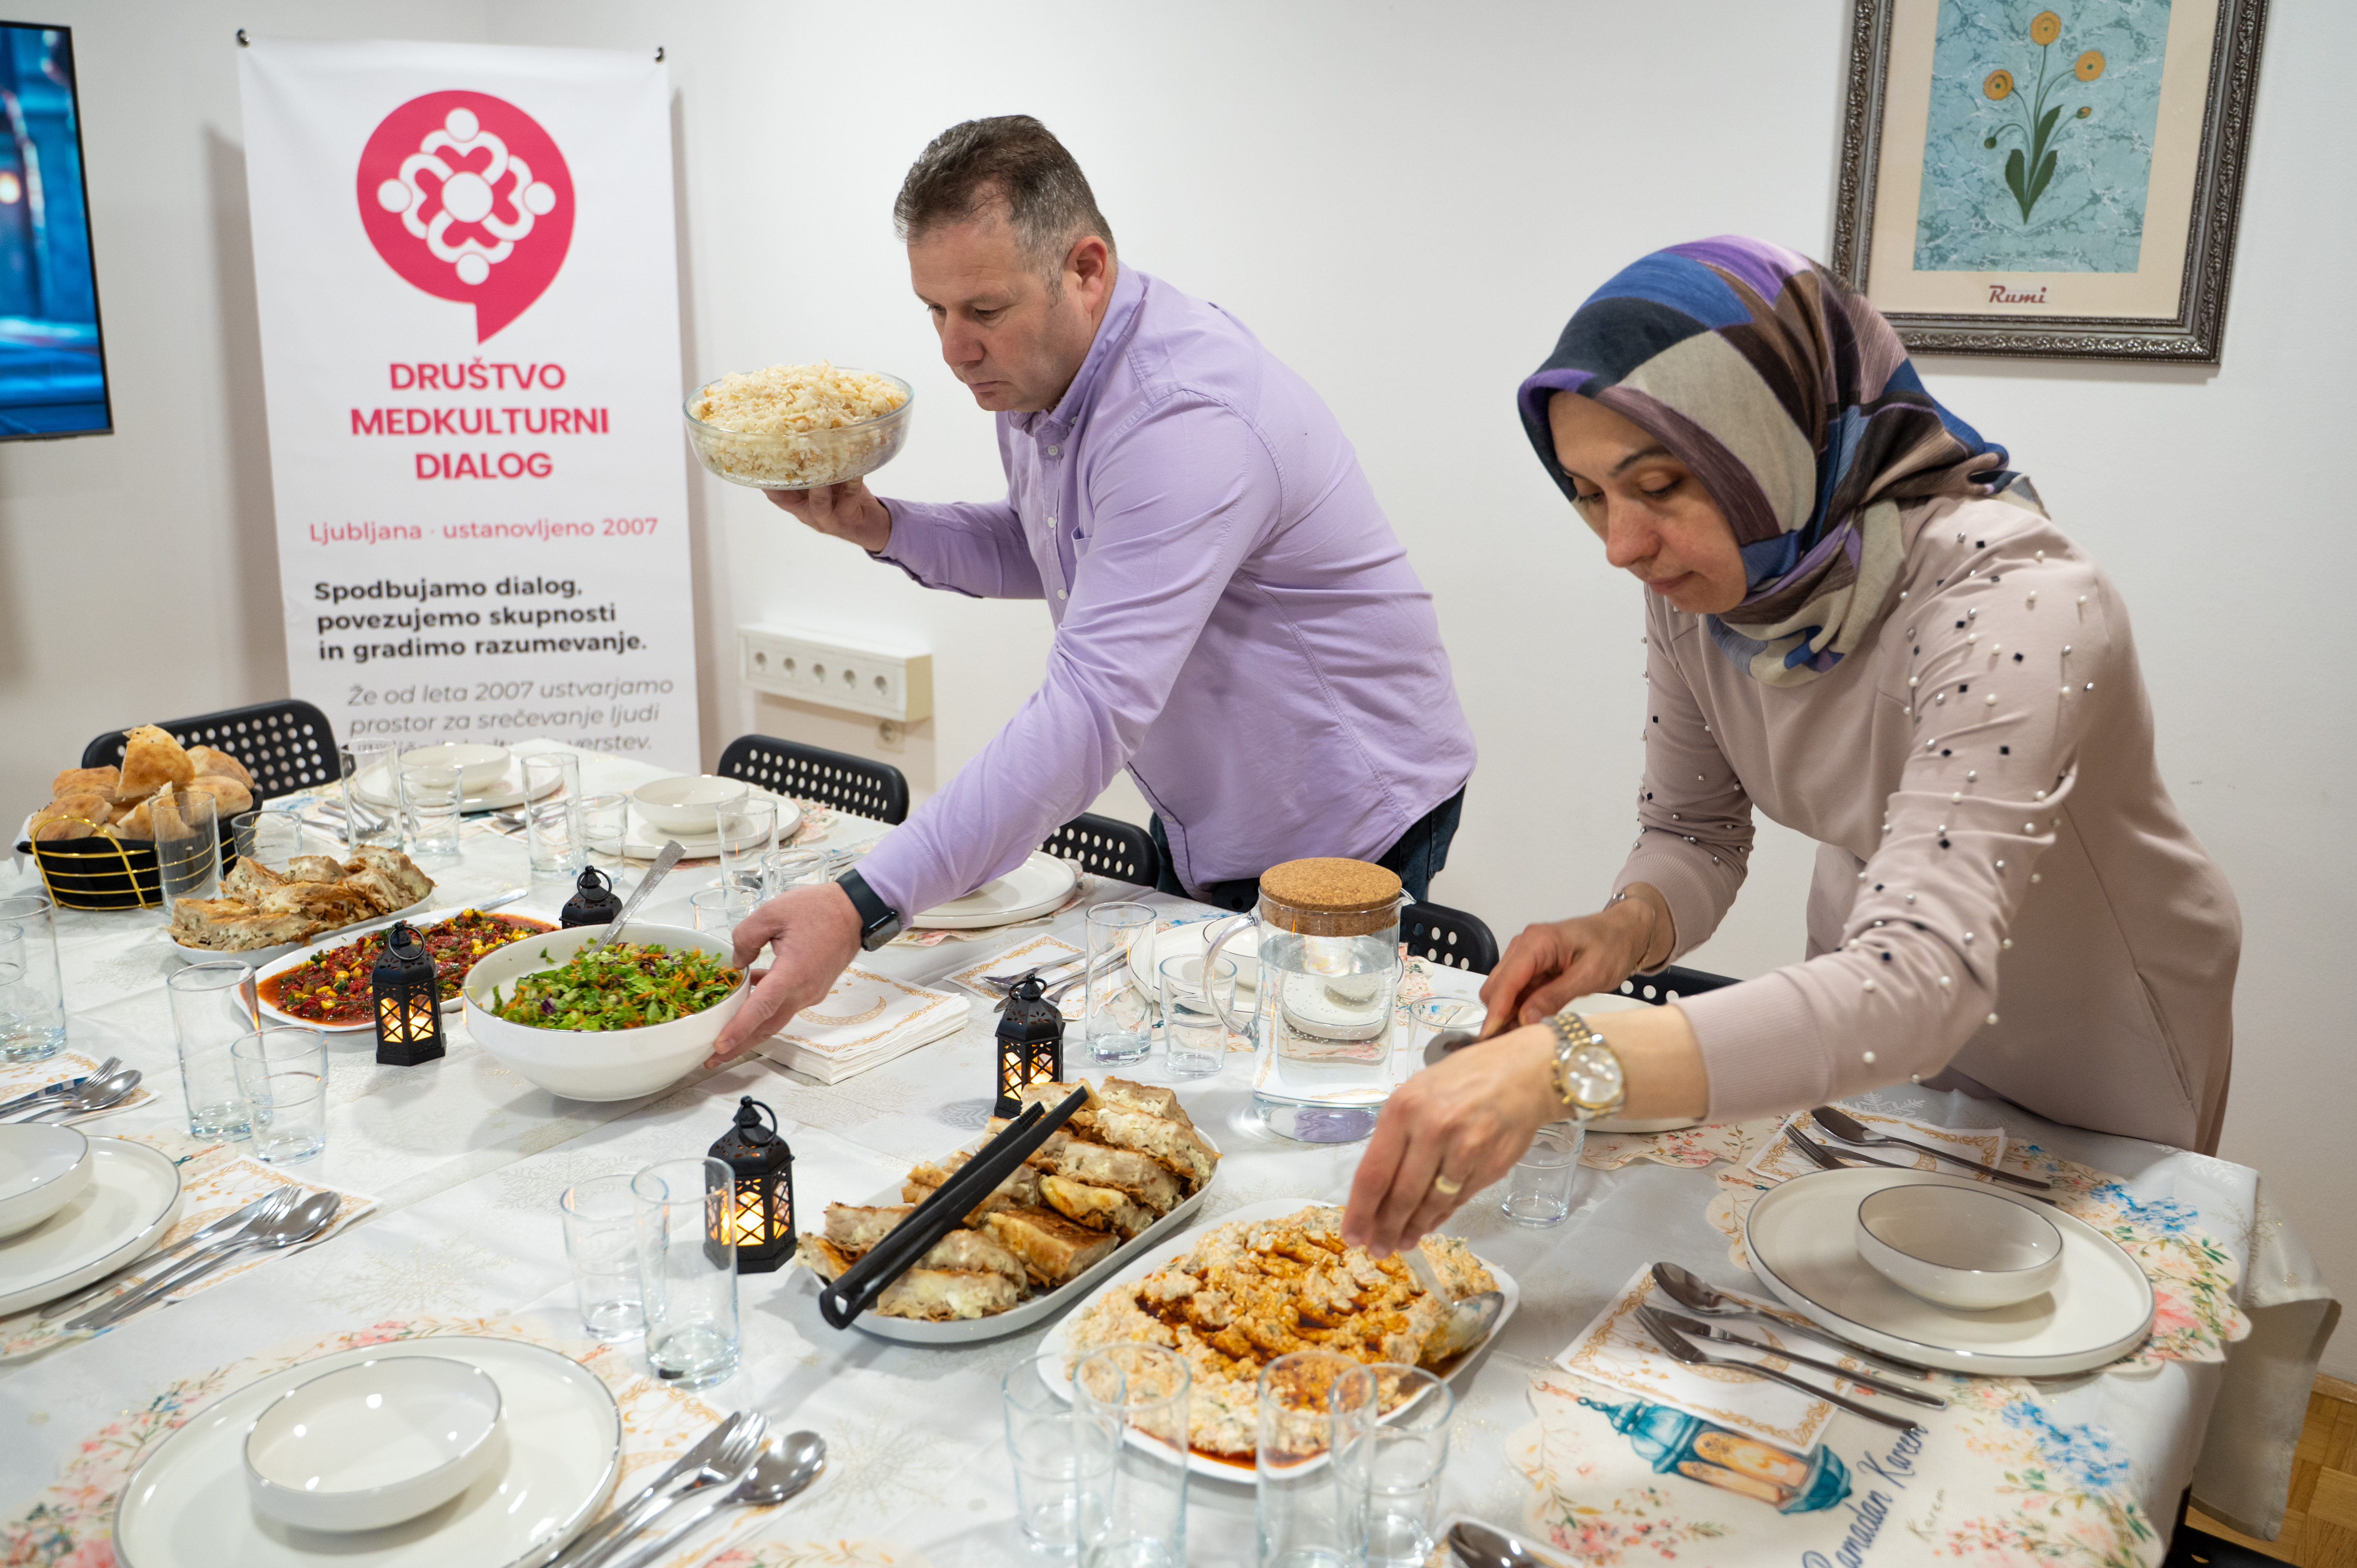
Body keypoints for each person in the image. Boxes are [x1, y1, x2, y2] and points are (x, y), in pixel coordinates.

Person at [1342, 236, 2238, 1258]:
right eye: (1590, 495)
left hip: (2092, 1027)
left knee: (2057, 1315)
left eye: (1663, 483)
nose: (1620, 546)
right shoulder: (1717, 591)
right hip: (1872, 999)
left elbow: (1923, 980)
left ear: (1772, 438)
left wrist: (1570, 1061)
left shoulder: (2019, 600)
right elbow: (1695, 835)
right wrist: (1622, 931)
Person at [710, 116, 1474, 1065]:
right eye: (934, 312)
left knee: (1295, 1095)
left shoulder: (1181, 420)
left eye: (983, 311)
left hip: (1343, 812)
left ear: (1086, 268)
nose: (954, 350)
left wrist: (860, 902)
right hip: (1215, 805)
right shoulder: (1045, 376)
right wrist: (879, 524)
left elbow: (1089, 710)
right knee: (1195, 1062)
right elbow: (1056, 547)